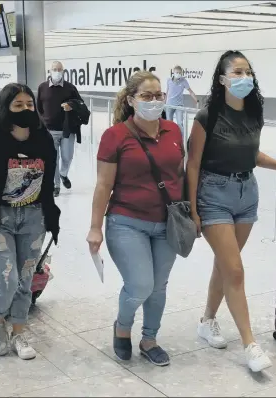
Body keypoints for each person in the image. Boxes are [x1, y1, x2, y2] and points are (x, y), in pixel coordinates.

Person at [186, 50, 276, 372]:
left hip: (246, 194)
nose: (244, 78)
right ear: (222, 79)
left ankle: (207, 321)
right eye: (237, 72)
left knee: (225, 266)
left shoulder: (254, 113)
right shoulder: (207, 116)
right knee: (235, 271)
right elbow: (193, 164)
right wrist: (193, 209)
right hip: (213, 195)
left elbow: (252, 154)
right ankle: (251, 345)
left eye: (248, 72)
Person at [87, 71, 184, 367]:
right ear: (131, 100)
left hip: (167, 222)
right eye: (146, 96)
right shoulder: (115, 136)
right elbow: (104, 184)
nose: (154, 101)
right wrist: (94, 227)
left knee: (159, 286)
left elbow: (179, 174)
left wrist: (193, 214)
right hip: (126, 221)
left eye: (159, 95)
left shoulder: (173, 131)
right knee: (141, 284)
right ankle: (122, 327)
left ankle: (150, 338)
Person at [0, 83, 60, 360]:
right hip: (0, 219)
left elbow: (49, 183)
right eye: (18, 105)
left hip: (33, 218)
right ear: (6, 107)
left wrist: (50, 217)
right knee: (5, 277)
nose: (25, 109)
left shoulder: (43, 140)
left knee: (25, 278)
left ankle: (18, 329)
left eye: (29, 105)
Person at [37, 60, 82, 197]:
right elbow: (38, 107)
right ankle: (56, 185)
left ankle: (63, 174)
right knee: (53, 159)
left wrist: (71, 106)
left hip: (67, 130)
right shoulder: (42, 87)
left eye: (59, 69)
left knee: (67, 157)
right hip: (50, 130)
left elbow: (80, 104)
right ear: (49, 71)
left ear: (63, 71)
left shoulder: (70, 88)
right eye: (54, 69)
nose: (57, 71)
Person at [165, 65, 198, 136]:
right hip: (169, 105)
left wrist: (196, 100)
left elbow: (190, 91)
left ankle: (182, 139)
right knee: (169, 122)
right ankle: (169, 137)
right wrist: (164, 102)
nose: (178, 74)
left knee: (180, 123)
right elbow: (167, 91)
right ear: (173, 72)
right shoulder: (169, 80)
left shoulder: (183, 81)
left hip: (179, 105)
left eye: (180, 73)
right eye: (177, 72)